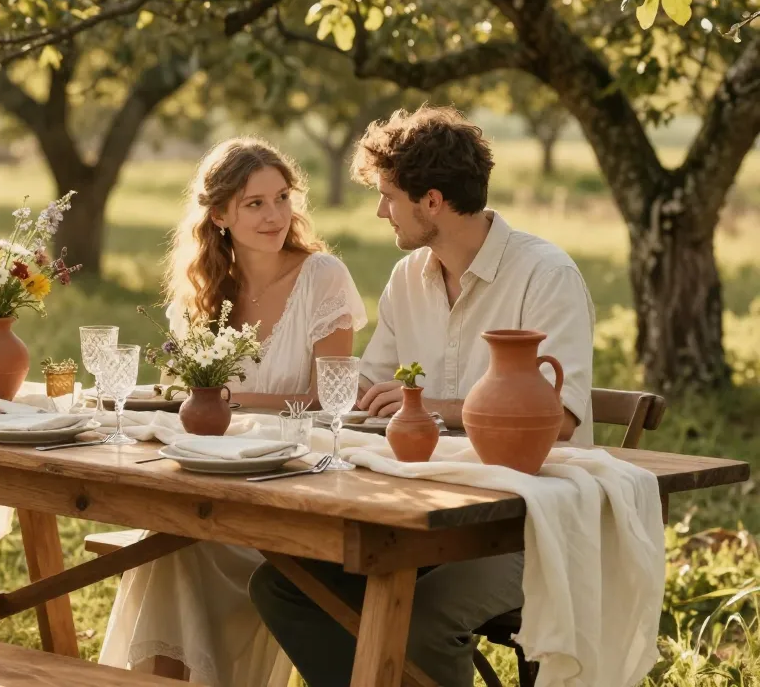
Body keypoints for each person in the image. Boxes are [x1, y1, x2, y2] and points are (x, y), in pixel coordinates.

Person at [249, 106, 595, 687]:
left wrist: (430, 407)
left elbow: (558, 421)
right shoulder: (408, 277)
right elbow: (368, 386)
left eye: (388, 195)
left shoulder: (545, 275)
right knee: (285, 585)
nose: (381, 209)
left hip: (529, 523)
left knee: (424, 618)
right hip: (419, 513)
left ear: (431, 202)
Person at [98, 137, 367, 686]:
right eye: (254, 203)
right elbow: (185, 396)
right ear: (219, 214)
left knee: (173, 548)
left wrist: (226, 399)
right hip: (214, 481)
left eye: (282, 197)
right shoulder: (203, 291)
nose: (275, 215)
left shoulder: (324, 279)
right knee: (170, 543)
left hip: (292, 490)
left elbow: (326, 397)